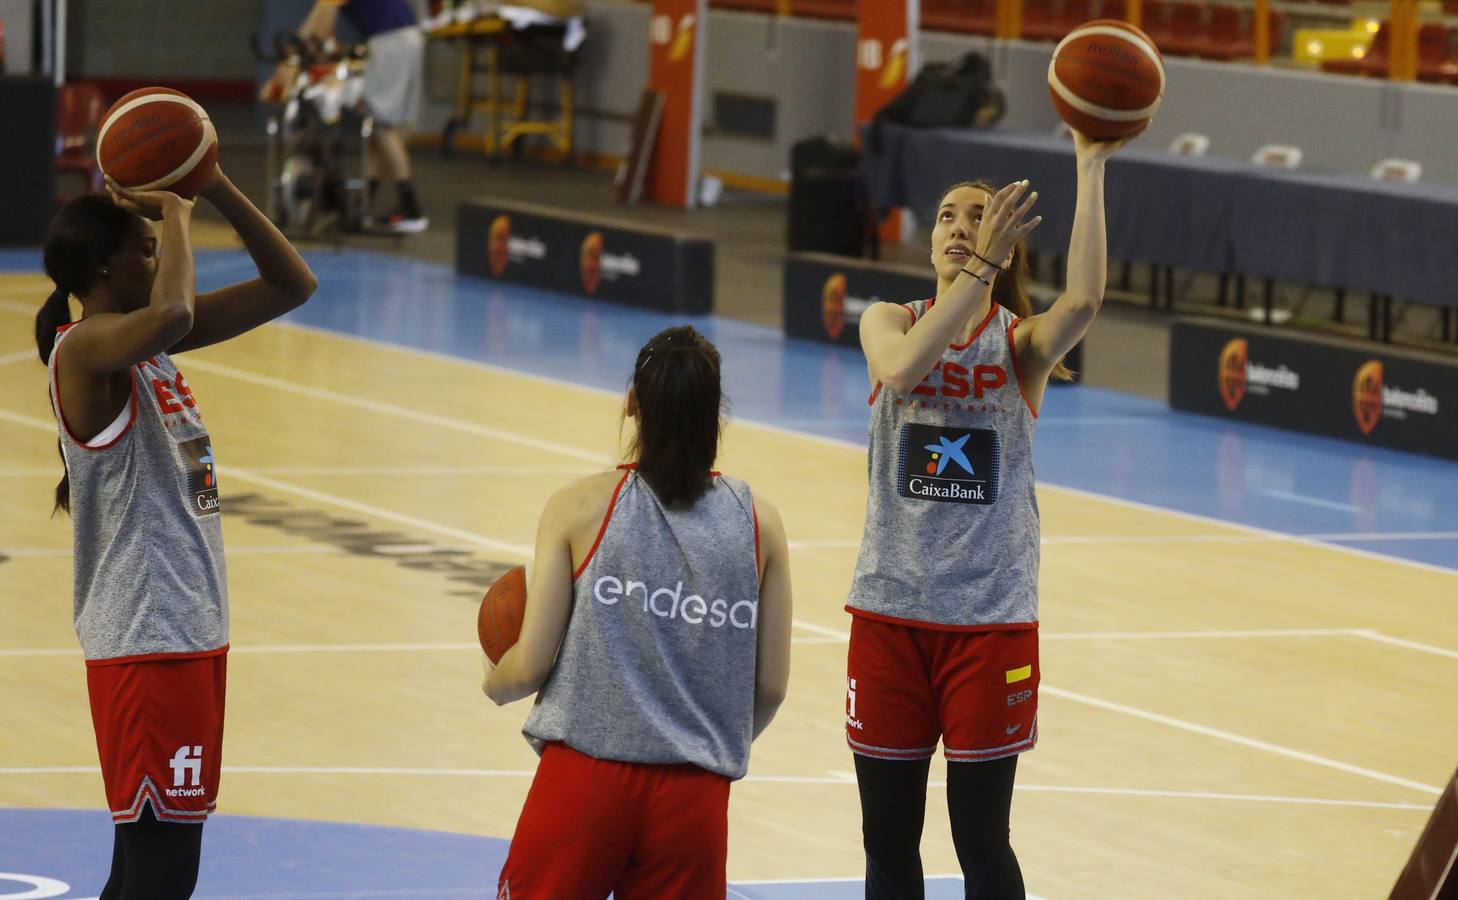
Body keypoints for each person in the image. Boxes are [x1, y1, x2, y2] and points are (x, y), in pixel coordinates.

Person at [846, 131, 1124, 899]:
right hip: (890, 616)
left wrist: (1091, 164)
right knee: (887, 842)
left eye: (977, 217)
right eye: (946, 216)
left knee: (980, 838)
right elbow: (903, 371)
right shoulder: (888, 320)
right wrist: (979, 272)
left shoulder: (1021, 345)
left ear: (1005, 247)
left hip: (989, 620)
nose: (959, 226)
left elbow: (1087, 300)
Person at [34, 166, 317, 898]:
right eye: (149, 248)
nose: (161, 260)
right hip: (149, 639)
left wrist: (217, 184)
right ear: (105, 265)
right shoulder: (85, 351)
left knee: (139, 870)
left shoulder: (146, 350)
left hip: (183, 634)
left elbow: (293, 286)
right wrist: (176, 207)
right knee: (163, 876)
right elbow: (175, 313)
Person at [484, 325, 793, 899]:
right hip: (695, 800)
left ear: (633, 404)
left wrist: (494, 682)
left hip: (584, 783)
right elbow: (771, 686)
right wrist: (694, 739)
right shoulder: (761, 523)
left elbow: (526, 666)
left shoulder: (577, 506)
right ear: (715, 415)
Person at [292, 0, 429, 233]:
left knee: (383, 126)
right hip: (402, 38)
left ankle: (412, 210)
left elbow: (320, 28)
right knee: (376, 125)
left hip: (391, 41)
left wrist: (299, 49)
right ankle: (366, 205)